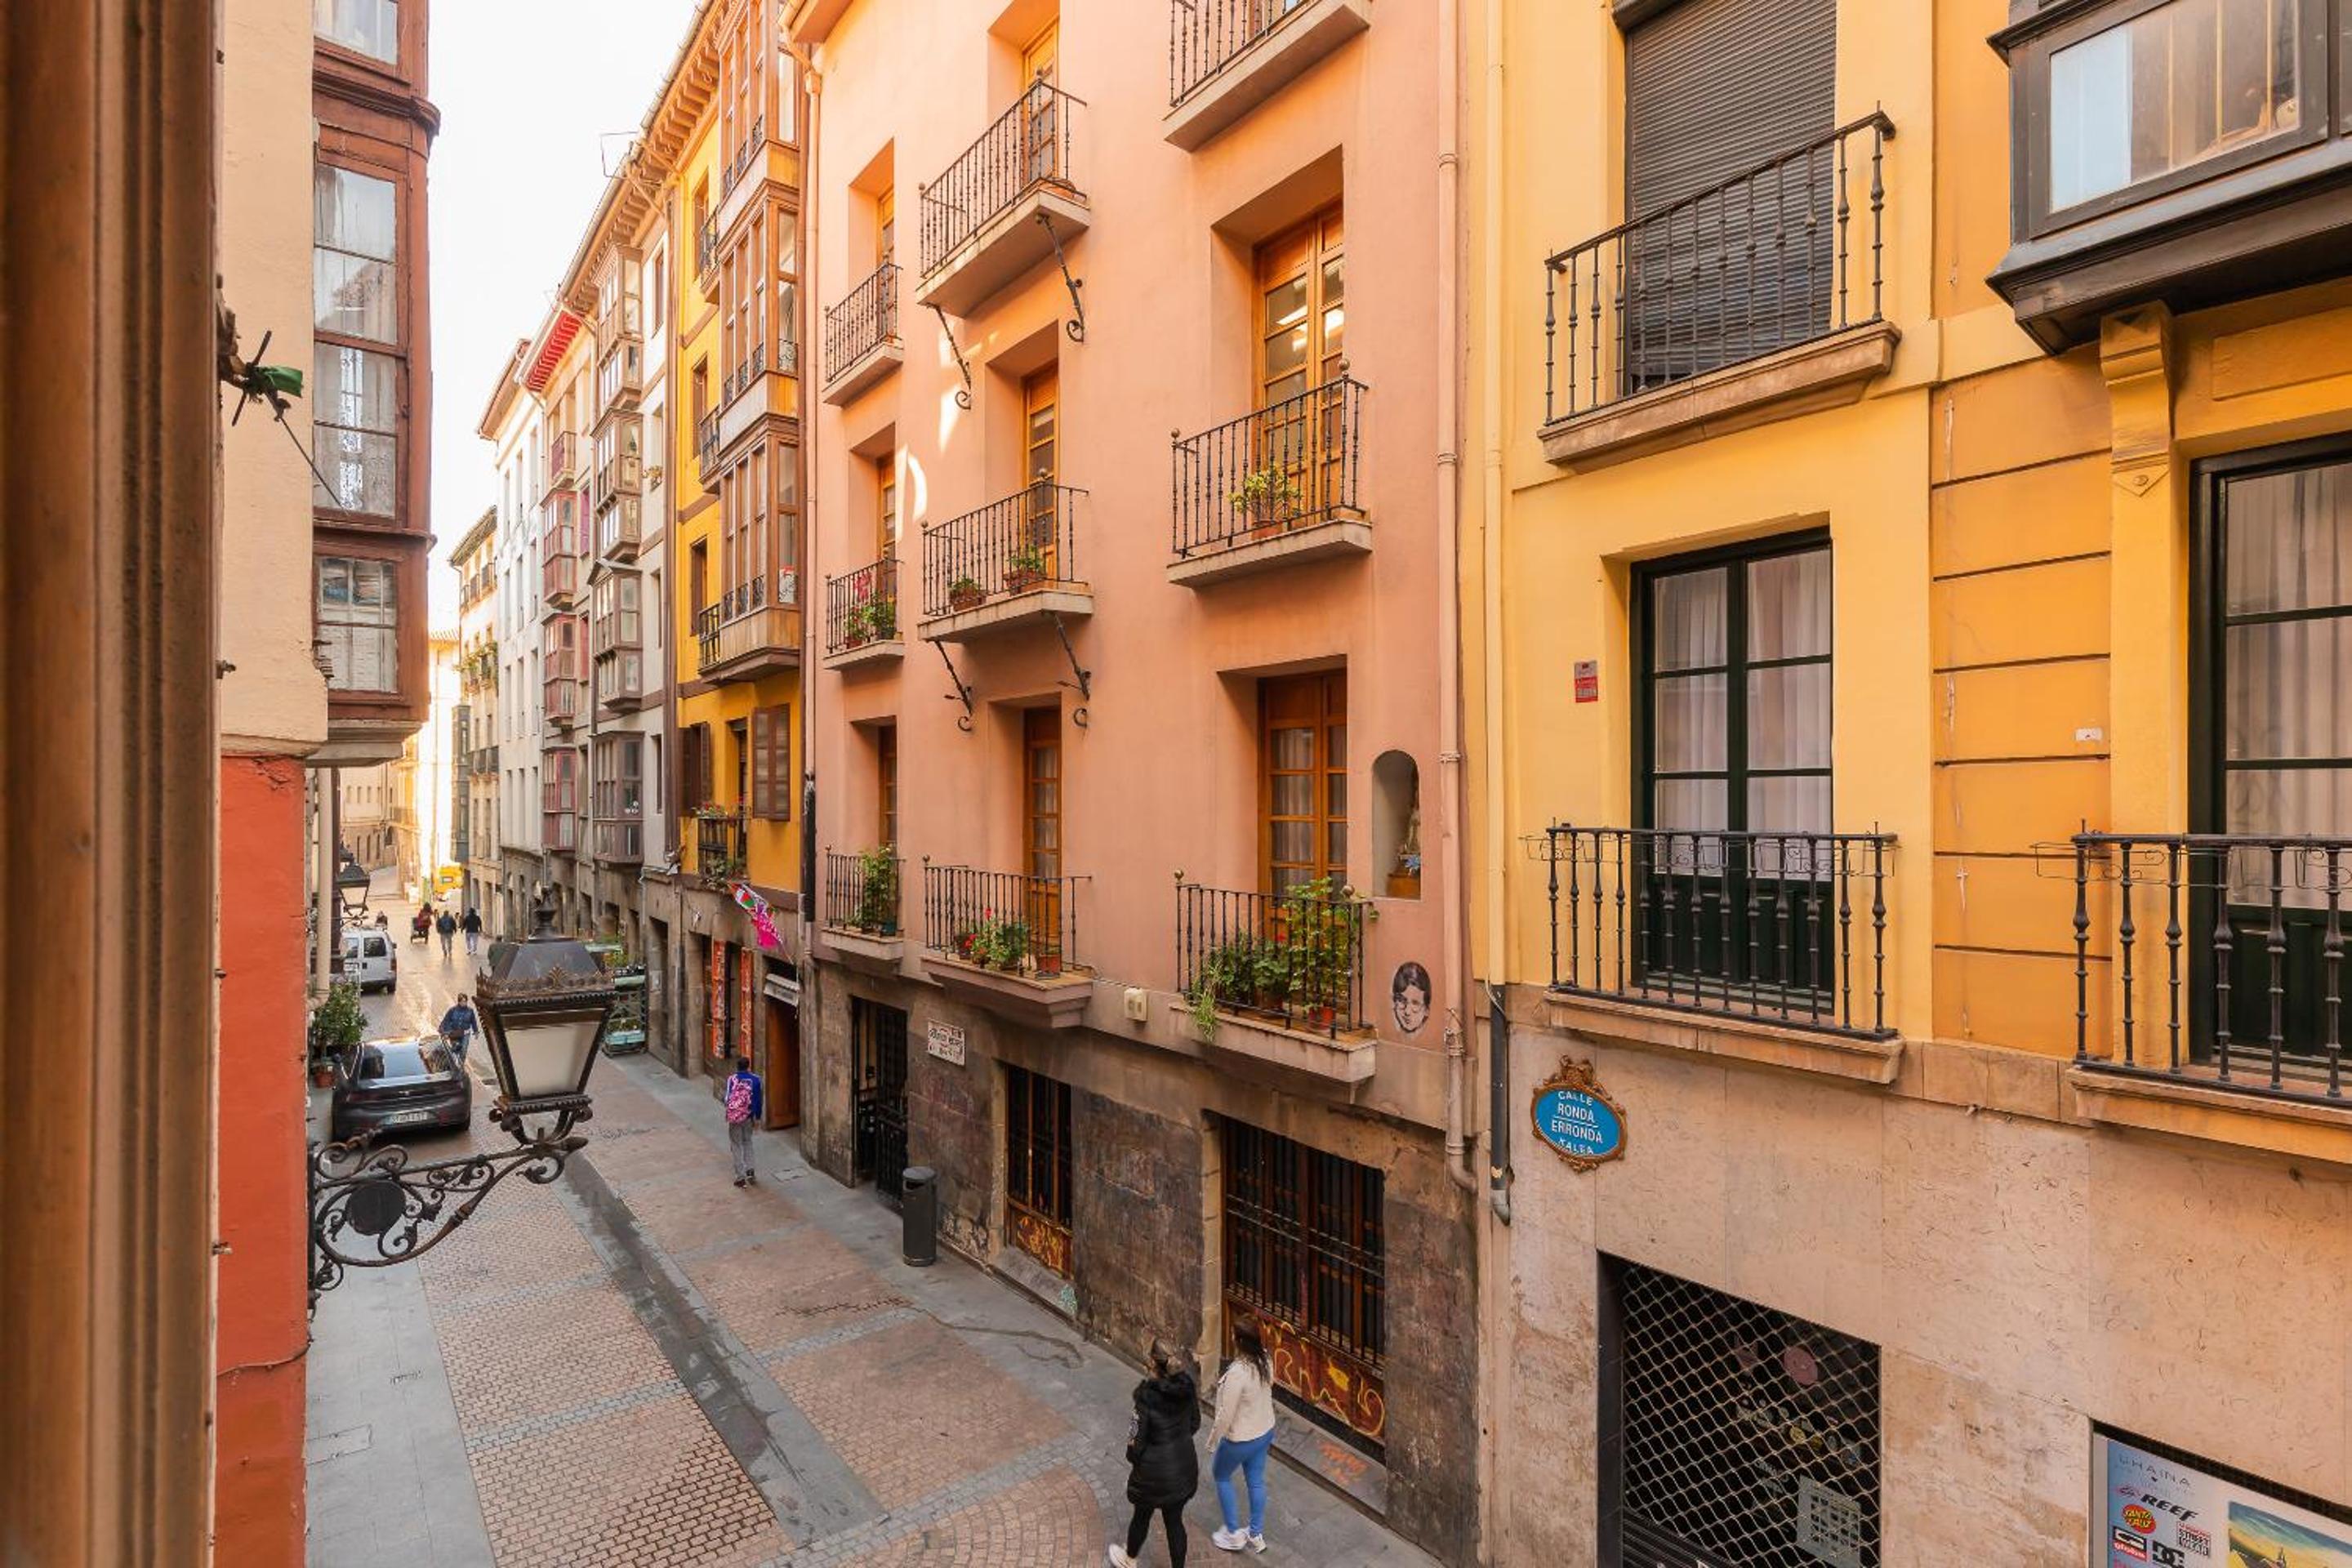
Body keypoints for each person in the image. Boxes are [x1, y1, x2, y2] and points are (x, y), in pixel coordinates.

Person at [1109, 1338, 1200, 1568]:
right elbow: (1195, 1423)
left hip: (1152, 1475)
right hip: (1183, 1468)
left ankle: (1129, 1559)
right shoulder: (1187, 1389)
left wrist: (1138, 1460)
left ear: (1153, 1362)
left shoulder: (1145, 1400)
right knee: (1174, 1521)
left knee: (1142, 1515)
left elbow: (1135, 1443)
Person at [1205, 1317, 1276, 1553]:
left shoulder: (1237, 1374)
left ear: (1239, 1341)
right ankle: (1255, 1534)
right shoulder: (1265, 1359)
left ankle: (1234, 1533)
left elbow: (1225, 1415)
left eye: (1234, 1335)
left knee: (1221, 1475)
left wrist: (1213, 1440)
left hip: (1241, 1439)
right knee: (1255, 1480)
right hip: (1264, 1431)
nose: (1232, 1337)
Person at [724, 1055, 764, 1187]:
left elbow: (727, 1098)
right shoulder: (756, 1080)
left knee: (736, 1144)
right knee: (747, 1142)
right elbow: (758, 1101)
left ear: (737, 1066)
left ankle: (740, 1177)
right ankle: (750, 1170)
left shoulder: (732, 1079)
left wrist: (732, 1111)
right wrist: (757, 1117)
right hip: (748, 1116)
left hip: (735, 1118)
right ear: (748, 1066)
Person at [439, 995, 479, 1067]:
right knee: (456, 1048)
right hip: (454, 1033)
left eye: (466, 1001)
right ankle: (452, 1064)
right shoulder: (452, 1010)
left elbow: (473, 1021)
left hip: (465, 1034)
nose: (464, 1003)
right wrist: (445, 1032)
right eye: (463, 1001)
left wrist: (476, 1031)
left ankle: (460, 1066)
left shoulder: (470, 1011)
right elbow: (446, 1021)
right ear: (459, 1002)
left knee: (463, 1051)